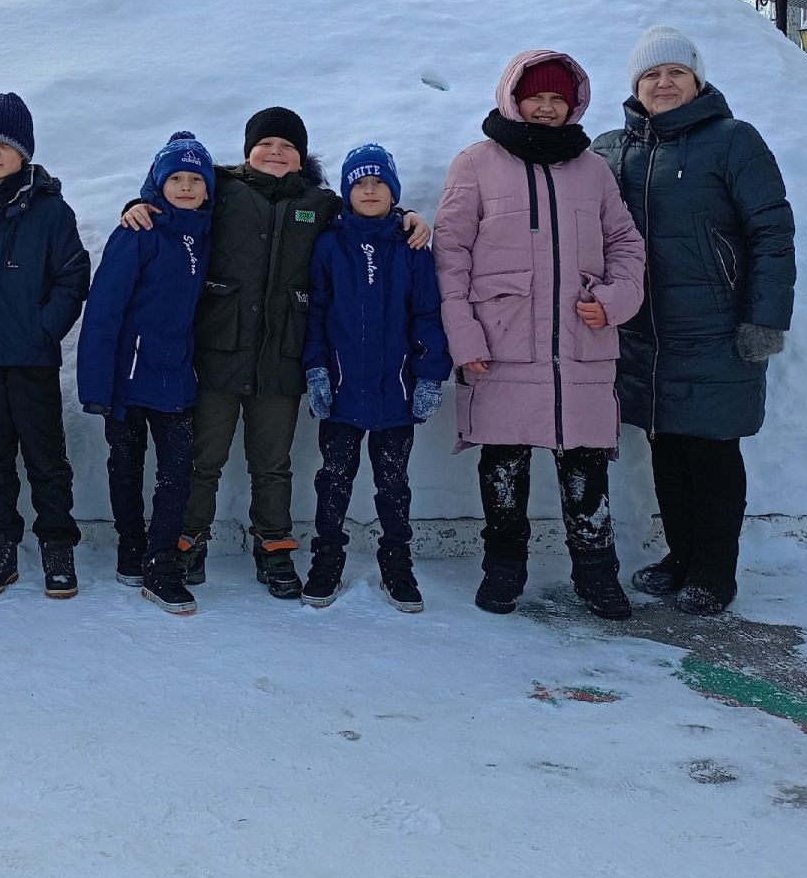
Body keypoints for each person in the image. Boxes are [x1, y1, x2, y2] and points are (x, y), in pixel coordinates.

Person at [121, 107, 430, 599]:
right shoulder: (222, 189)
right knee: (206, 458)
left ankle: (275, 548)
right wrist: (138, 203)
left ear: (302, 156)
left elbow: (366, 212)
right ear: (249, 150)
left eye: (287, 146)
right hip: (220, 349)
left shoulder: (320, 202)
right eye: (266, 144)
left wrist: (406, 216)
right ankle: (188, 542)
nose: (276, 152)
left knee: (272, 462)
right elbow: (178, 192)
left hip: (283, 354)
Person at [432, 51, 646, 619]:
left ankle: (597, 572)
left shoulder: (593, 169)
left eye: (559, 98)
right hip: (502, 347)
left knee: (586, 467)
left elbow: (626, 244)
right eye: (537, 97)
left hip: (581, 343)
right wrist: (465, 338)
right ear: (512, 98)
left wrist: (615, 300)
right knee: (503, 465)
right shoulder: (476, 164)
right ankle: (503, 568)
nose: (548, 108)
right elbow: (449, 257)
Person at [592, 26, 796, 616]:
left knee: (711, 451)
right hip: (643, 330)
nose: (663, 83)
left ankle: (715, 571)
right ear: (636, 85)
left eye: (676, 72)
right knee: (667, 448)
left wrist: (764, 320)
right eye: (652, 75)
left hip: (714, 326)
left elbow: (771, 232)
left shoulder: (733, 141)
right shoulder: (614, 148)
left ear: (697, 80)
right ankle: (680, 557)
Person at [0, 93, 91, 599]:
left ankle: (56, 546)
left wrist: (44, 328)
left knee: (46, 458)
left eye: (5, 144)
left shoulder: (50, 209)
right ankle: (2, 545)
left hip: (31, 358)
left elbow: (73, 276)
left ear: (24, 150)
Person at [301, 144, 451, 612]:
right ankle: (327, 558)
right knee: (334, 480)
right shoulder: (329, 244)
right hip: (343, 392)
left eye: (379, 183)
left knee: (393, 482)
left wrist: (429, 376)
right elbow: (317, 313)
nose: (370, 190)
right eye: (360, 183)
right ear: (347, 192)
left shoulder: (412, 247)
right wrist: (317, 369)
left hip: (395, 393)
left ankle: (397, 561)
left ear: (393, 192)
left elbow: (428, 313)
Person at [77, 132, 215, 615]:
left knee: (177, 471)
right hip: (128, 375)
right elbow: (103, 311)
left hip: (176, 376)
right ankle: (130, 546)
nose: (184, 186)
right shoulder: (138, 231)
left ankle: (160, 563)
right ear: (158, 182)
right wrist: (95, 386)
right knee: (126, 464)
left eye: (194, 179)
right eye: (174, 177)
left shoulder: (208, 231)